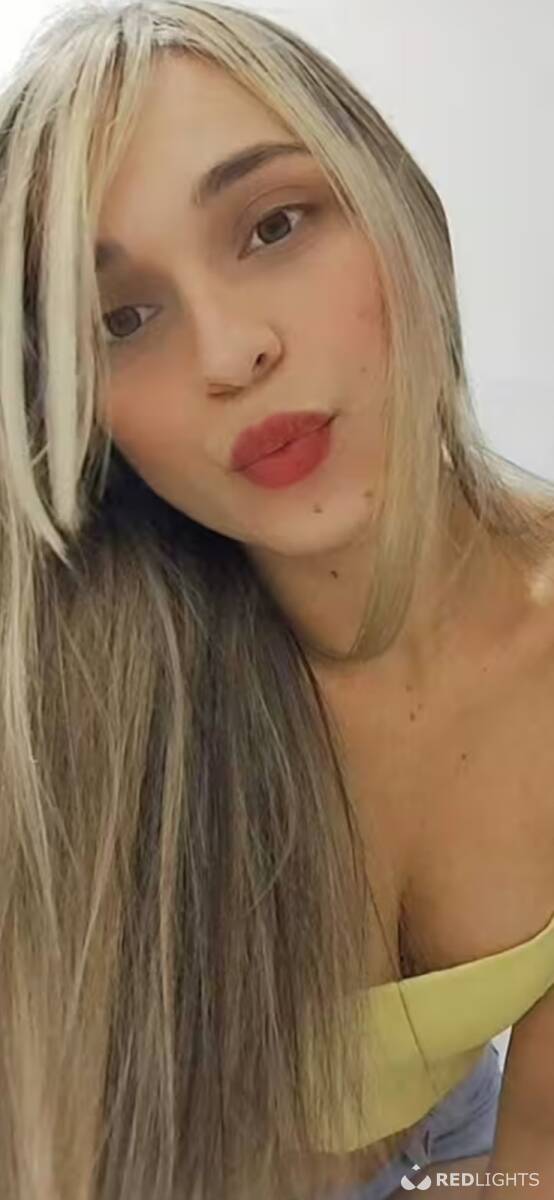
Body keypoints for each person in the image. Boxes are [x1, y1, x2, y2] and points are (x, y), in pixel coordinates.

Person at [0, 2, 553, 1198]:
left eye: (273, 225)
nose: (229, 351)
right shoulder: (62, 713)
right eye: (122, 318)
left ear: (396, 205)